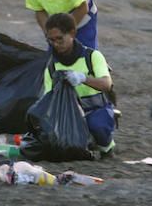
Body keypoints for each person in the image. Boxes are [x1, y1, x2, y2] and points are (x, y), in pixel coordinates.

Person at [42, 13, 116, 156]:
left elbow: (107, 84)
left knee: (98, 127)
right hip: (68, 114)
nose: (56, 44)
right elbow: (47, 99)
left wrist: (83, 78)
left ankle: (106, 145)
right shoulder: (51, 66)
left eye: (60, 39)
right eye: (51, 40)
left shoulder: (93, 56)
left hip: (95, 110)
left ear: (72, 33)